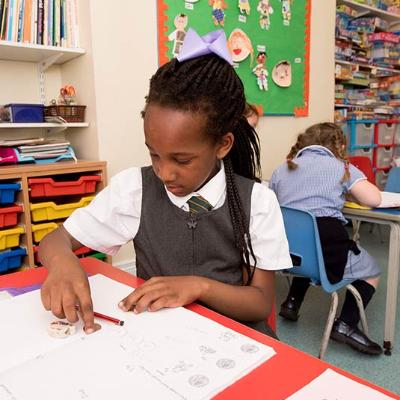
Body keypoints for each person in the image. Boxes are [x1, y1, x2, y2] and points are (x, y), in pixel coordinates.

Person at [39, 29, 292, 338]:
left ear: (223, 145)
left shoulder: (258, 202)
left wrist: (197, 287)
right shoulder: (134, 190)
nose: (164, 173)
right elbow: (54, 241)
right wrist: (63, 262)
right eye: (154, 154)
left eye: (182, 160)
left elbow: (260, 303)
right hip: (161, 341)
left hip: (234, 341)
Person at [269, 122, 383, 355]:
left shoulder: (282, 169)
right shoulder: (340, 167)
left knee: (307, 241)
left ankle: (292, 302)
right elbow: (374, 200)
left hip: (288, 254)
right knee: (372, 271)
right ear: (339, 145)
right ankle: (346, 324)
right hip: (328, 251)